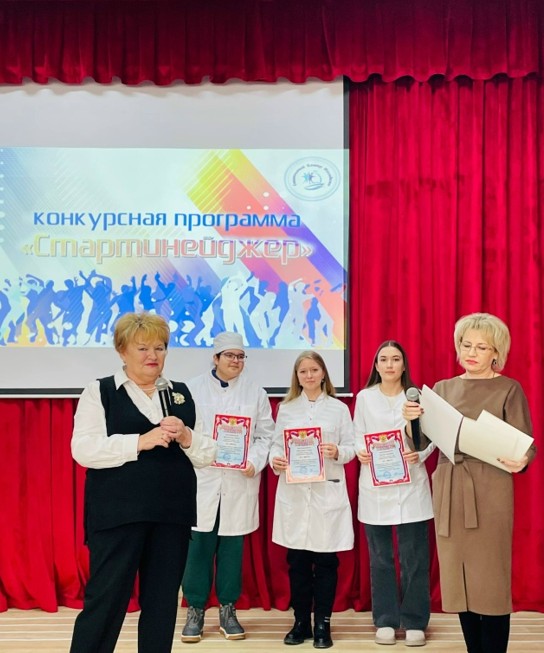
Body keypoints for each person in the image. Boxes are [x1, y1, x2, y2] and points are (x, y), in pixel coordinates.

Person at [70, 312, 216, 653]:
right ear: (122, 351)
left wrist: (187, 436)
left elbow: (208, 453)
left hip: (172, 514)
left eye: (160, 348)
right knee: (105, 602)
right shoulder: (100, 391)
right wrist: (139, 441)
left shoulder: (181, 393)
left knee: (162, 606)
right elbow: (83, 449)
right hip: (117, 514)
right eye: (143, 348)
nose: (153, 355)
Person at [403, 313, 537, 653]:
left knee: (489, 581)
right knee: (458, 578)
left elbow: (526, 443)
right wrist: (411, 421)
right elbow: (419, 443)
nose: (472, 353)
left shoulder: (508, 388)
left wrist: (523, 459)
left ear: (496, 353)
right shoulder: (443, 389)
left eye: (481, 347)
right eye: (466, 345)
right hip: (449, 485)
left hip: (491, 487)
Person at [181, 331, 274, 643]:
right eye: (230, 356)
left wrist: (255, 461)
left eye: (240, 356)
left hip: (238, 481)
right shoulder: (192, 389)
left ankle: (228, 609)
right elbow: (185, 434)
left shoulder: (256, 393)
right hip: (203, 479)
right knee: (198, 547)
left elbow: (266, 436)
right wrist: (201, 454)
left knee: (233, 549)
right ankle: (195, 609)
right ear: (216, 358)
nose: (236, 361)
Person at [271, 351, 355, 649]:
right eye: (303, 371)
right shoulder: (286, 409)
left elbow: (352, 446)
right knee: (297, 563)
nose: (309, 375)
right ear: (297, 376)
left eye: (314, 370)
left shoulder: (339, 409)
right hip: (295, 494)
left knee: (326, 562)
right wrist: (276, 460)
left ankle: (322, 623)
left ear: (323, 374)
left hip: (326, 493)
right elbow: (275, 446)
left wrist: (338, 452)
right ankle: (301, 622)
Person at [354, 341, 434, 647]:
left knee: (415, 558)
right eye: (384, 359)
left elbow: (432, 436)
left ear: (404, 365)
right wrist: (361, 451)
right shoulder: (364, 397)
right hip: (375, 486)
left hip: (411, 485)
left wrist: (420, 454)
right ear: (376, 365)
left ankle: (414, 621)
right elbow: (357, 433)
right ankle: (386, 620)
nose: (389, 365)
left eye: (396, 359)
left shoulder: (418, 397)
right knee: (380, 558)